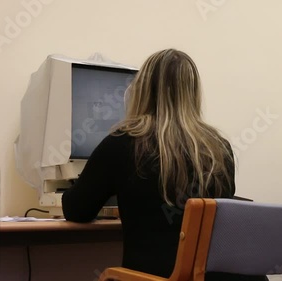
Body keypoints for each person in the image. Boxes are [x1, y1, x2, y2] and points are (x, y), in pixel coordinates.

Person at [62, 49, 267, 281]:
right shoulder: (218, 147)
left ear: (140, 91)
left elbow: (77, 210)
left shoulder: (122, 142)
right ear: (193, 94)